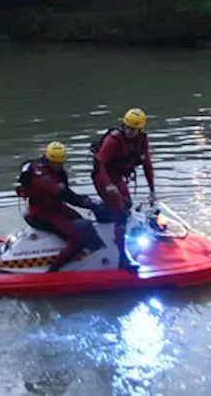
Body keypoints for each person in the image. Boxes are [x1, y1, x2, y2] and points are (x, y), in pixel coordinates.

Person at [16, 141, 106, 272]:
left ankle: (95, 250)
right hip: (44, 213)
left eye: (60, 162)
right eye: (55, 163)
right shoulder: (43, 178)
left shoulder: (53, 170)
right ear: (48, 159)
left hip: (56, 207)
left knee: (84, 223)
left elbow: (66, 193)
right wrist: (88, 203)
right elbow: (66, 195)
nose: (58, 165)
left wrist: (92, 202)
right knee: (77, 238)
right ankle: (53, 271)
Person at [92, 107, 156, 267]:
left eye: (133, 129)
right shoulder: (113, 140)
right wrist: (107, 185)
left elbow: (147, 165)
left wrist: (152, 190)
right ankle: (123, 258)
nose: (129, 131)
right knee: (121, 214)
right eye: (127, 127)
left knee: (127, 205)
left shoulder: (142, 140)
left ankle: (113, 229)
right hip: (103, 177)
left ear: (139, 129)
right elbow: (100, 165)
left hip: (117, 177)